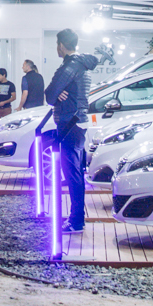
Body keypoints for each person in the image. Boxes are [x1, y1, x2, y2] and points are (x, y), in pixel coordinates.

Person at [44, 29, 101, 235]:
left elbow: (49, 95)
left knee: (72, 173)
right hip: (79, 122)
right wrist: (60, 93)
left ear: (61, 45)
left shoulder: (70, 66)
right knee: (75, 172)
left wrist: (58, 93)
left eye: (56, 45)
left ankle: (76, 220)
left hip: (69, 123)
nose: (56, 48)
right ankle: (77, 218)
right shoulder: (83, 64)